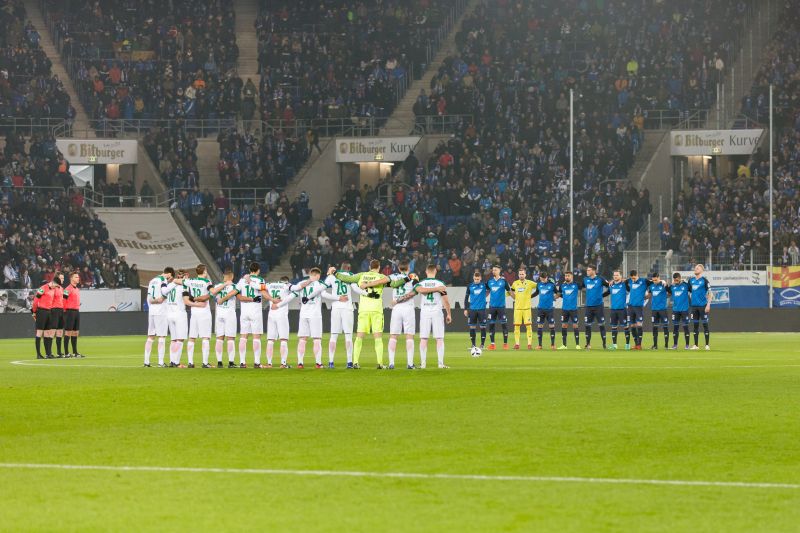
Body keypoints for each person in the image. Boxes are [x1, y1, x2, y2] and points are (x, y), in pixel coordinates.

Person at [332, 260, 408, 369]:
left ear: (369, 267)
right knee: (377, 337)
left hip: (363, 309)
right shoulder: (381, 277)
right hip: (376, 310)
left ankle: (355, 362)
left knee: (359, 336)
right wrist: (407, 278)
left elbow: (346, 279)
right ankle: (380, 363)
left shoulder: (361, 275)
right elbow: (395, 284)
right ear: (379, 267)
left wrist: (335, 273)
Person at [291, 267, 338, 369]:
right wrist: (338, 298)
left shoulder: (302, 283)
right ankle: (318, 363)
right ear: (317, 275)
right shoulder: (319, 284)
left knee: (302, 339)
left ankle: (300, 363)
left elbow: (294, 291)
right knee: (316, 339)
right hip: (315, 315)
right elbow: (325, 294)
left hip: (303, 314)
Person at [324, 262, 362, 368]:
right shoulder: (350, 275)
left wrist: (337, 298)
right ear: (349, 268)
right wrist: (367, 293)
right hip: (347, 308)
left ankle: (331, 362)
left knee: (333, 335)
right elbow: (356, 289)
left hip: (336, 308)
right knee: (348, 335)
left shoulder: (331, 276)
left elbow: (323, 292)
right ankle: (349, 362)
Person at [415, 264, 452, 369]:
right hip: (437, 312)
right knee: (439, 338)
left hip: (425, 312)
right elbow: (446, 301)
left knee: (423, 338)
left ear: (426, 272)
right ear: (435, 271)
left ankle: (423, 364)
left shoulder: (421, 283)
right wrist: (449, 314)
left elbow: (419, 291)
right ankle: (440, 363)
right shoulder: (440, 284)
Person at [183, 264, 219, 368]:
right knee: (205, 337)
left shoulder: (191, 281)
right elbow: (212, 292)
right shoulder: (207, 282)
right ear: (204, 271)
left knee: (192, 337)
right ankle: (205, 363)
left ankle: (190, 362)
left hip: (194, 312)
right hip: (204, 311)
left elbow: (180, 282)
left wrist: (184, 279)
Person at [236, 262, 269, 368]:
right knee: (256, 337)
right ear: (258, 270)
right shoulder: (260, 280)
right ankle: (257, 362)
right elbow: (263, 291)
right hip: (255, 310)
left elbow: (236, 293)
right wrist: (271, 299)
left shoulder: (242, 280)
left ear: (250, 270)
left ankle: (242, 362)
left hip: (244, 311)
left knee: (243, 337)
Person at [386, 260, 418, 369]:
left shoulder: (393, 277)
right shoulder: (413, 277)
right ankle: (410, 364)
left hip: (396, 309)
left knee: (393, 335)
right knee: (409, 336)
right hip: (408, 308)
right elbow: (414, 292)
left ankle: (391, 363)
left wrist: (397, 300)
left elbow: (387, 282)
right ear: (408, 268)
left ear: (399, 268)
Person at [144, 267, 175, 367]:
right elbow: (164, 293)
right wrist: (160, 300)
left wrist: (152, 305)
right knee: (162, 336)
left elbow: (148, 298)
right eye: (171, 278)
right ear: (169, 274)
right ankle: (161, 362)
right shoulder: (163, 280)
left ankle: (146, 362)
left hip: (152, 310)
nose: (170, 280)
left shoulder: (152, 281)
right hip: (161, 310)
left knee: (150, 336)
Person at [265, 277, 295, 368]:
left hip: (271, 314)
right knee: (283, 340)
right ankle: (283, 363)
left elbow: (260, 288)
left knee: (270, 340)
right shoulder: (287, 285)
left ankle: (269, 363)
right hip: (281, 315)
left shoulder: (270, 285)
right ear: (287, 281)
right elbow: (295, 292)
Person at [212, 269, 238, 368]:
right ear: (232, 276)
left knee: (219, 338)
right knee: (230, 338)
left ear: (224, 276)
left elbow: (214, 296)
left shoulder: (217, 286)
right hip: (229, 314)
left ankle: (219, 362)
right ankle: (231, 363)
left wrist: (218, 300)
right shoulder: (234, 286)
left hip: (219, 313)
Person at [164, 270, 190, 367]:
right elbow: (187, 299)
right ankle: (177, 362)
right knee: (180, 339)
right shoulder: (184, 286)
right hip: (180, 314)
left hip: (170, 314)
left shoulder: (170, 285)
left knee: (173, 339)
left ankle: (172, 361)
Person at [581, 265, 609, 350]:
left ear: (593, 271)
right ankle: (588, 344)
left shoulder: (600, 279)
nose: (587, 272)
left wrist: (602, 295)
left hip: (598, 306)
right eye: (587, 270)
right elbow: (580, 287)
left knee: (601, 325)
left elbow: (610, 286)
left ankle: (604, 344)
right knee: (587, 325)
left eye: (589, 270)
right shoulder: (585, 279)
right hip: (588, 306)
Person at [510, 267, 537, 349]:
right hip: (517, 308)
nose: (521, 275)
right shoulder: (515, 283)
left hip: (527, 308)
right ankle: (517, 344)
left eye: (522, 274)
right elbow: (511, 291)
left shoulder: (530, 283)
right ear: (518, 275)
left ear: (525, 275)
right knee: (516, 326)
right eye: (520, 274)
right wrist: (514, 296)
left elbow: (539, 286)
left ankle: (529, 344)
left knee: (528, 326)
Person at [463, 270, 489, 355]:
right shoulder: (470, 286)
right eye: (475, 279)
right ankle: (473, 345)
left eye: (478, 279)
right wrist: (465, 309)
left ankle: (482, 345)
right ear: (473, 278)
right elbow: (466, 298)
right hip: (472, 309)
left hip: (482, 309)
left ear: (480, 278)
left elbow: (491, 289)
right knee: (472, 327)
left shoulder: (484, 285)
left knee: (483, 327)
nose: (476, 280)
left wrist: (485, 295)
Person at [487, 265, 512, 350]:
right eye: (493, 270)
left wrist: (516, 298)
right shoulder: (489, 281)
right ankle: (492, 344)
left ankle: (505, 344)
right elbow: (486, 291)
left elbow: (510, 291)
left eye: (495, 270)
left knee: (504, 325)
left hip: (501, 307)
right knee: (491, 325)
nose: (493, 271)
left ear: (499, 271)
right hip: (492, 307)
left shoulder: (504, 281)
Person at [625, 270, 651, 350]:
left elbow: (654, 284)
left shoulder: (644, 281)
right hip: (630, 306)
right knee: (632, 325)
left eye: (634, 278)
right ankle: (636, 344)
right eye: (632, 278)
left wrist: (648, 295)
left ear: (637, 275)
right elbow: (624, 282)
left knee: (639, 325)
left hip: (639, 307)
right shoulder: (629, 281)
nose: (633, 280)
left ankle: (639, 345)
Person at [689, 264, 712, 350]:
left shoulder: (705, 281)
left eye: (697, 268)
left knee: (705, 325)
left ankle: (707, 345)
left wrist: (708, 304)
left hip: (703, 306)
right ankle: (696, 345)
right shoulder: (691, 281)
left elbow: (710, 293)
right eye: (695, 268)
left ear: (702, 270)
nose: (695, 269)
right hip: (694, 307)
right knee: (695, 325)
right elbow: (687, 290)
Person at [556, 271, 581, 350]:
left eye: (568, 276)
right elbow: (559, 294)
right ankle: (564, 345)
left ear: (572, 276)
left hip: (573, 309)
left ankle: (577, 345)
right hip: (565, 309)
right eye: (566, 276)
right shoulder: (562, 286)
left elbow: (584, 287)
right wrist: (554, 297)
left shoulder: (576, 285)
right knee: (564, 325)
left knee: (575, 325)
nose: (567, 277)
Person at [32, 277, 56, 359]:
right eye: (56, 285)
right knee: (39, 332)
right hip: (41, 311)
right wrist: (34, 312)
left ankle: (48, 354)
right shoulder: (42, 288)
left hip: (49, 312)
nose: (56, 287)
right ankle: (38, 354)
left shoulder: (53, 289)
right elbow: (36, 300)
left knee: (47, 333)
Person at [532, 271, 557, 350]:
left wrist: (559, 297)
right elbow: (536, 292)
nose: (543, 280)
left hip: (549, 309)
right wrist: (529, 296)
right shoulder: (539, 284)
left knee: (551, 326)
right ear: (540, 278)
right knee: (540, 326)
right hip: (540, 309)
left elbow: (557, 292)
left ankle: (552, 345)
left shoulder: (552, 285)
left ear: (547, 277)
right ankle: (540, 345)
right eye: (542, 279)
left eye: (544, 279)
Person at [646, 272, 670, 350]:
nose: (654, 281)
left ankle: (666, 346)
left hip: (663, 309)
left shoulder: (663, 284)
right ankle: (655, 345)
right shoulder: (651, 286)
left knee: (665, 327)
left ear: (659, 278)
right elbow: (649, 295)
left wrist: (664, 296)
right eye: (653, 280)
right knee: (655, 328)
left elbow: (670, 293)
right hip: (654, 310)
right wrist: (641, 297)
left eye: (656, 280)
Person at [608, 270, 631, 351]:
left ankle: (627, 344)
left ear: (620, 276)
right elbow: (607, 292)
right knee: (613, 327)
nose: (615, 276)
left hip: (622, 309)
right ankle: (614, 345)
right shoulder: (611, 285)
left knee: (626, 327)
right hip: (613, 309)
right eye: (614, 275)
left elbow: (631, 281)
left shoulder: (624, 284)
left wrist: (624, 280)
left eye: (617, 275)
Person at [670, 273, 691, 349]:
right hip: (675, 310)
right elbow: (667, 291)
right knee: (675, 327)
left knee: (685, 327)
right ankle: (675, 345)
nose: (675, 281)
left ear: (680, 278)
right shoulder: (672, 286)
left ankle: (687, 345)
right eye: (674, 280)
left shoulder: (685, 285)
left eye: (677, 279)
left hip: (684, 310)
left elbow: (692, 289)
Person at [63, 271, 82, 357]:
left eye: (78, 277)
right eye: (76, 277)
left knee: (75, 332)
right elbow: (63, 300)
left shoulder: (77, 289)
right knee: (68, 332)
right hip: (69, 312)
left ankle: (75, 352)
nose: (78, 278)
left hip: (76, 311)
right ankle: (66, 352)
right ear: (71, 278)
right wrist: (65, 312)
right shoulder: (67, 289)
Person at [50, 272, 66, 357]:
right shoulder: (53, 287)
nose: (63, 279)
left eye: (63, 278)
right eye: (61, 278)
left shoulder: (61, 288)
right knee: (53, 331)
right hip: (54, 310)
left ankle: (59, 352)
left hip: (61, 310)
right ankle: (49, 352)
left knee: (60, 331)